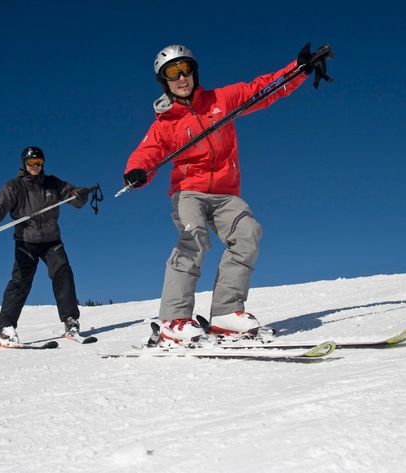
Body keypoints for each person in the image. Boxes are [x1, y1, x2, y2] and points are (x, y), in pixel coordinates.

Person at [123, 43, 319, 344]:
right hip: (189, 192)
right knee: (194, 239)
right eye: (172, 73)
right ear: (164, 82)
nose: (181, 77)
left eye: (185, 69)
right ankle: (174, 321)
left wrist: (298, 70)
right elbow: (145, 154)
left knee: (248, 232)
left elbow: (263, 89)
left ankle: (227, 314)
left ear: (194, 71)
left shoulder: (221, 99)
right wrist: (136, 172)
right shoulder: (165, 125)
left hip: (226, 193)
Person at [0, 146, 90, 344]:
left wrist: (80, 194)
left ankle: (71, 322)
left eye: (38, 163)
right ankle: (4, 328)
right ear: (24, 164)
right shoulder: (15, 186)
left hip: (51, 240)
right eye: (31, 163)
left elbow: (73, 196)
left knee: (63, 272)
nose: (35, 167)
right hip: (26, 241)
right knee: (21, 282)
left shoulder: (53, 183)